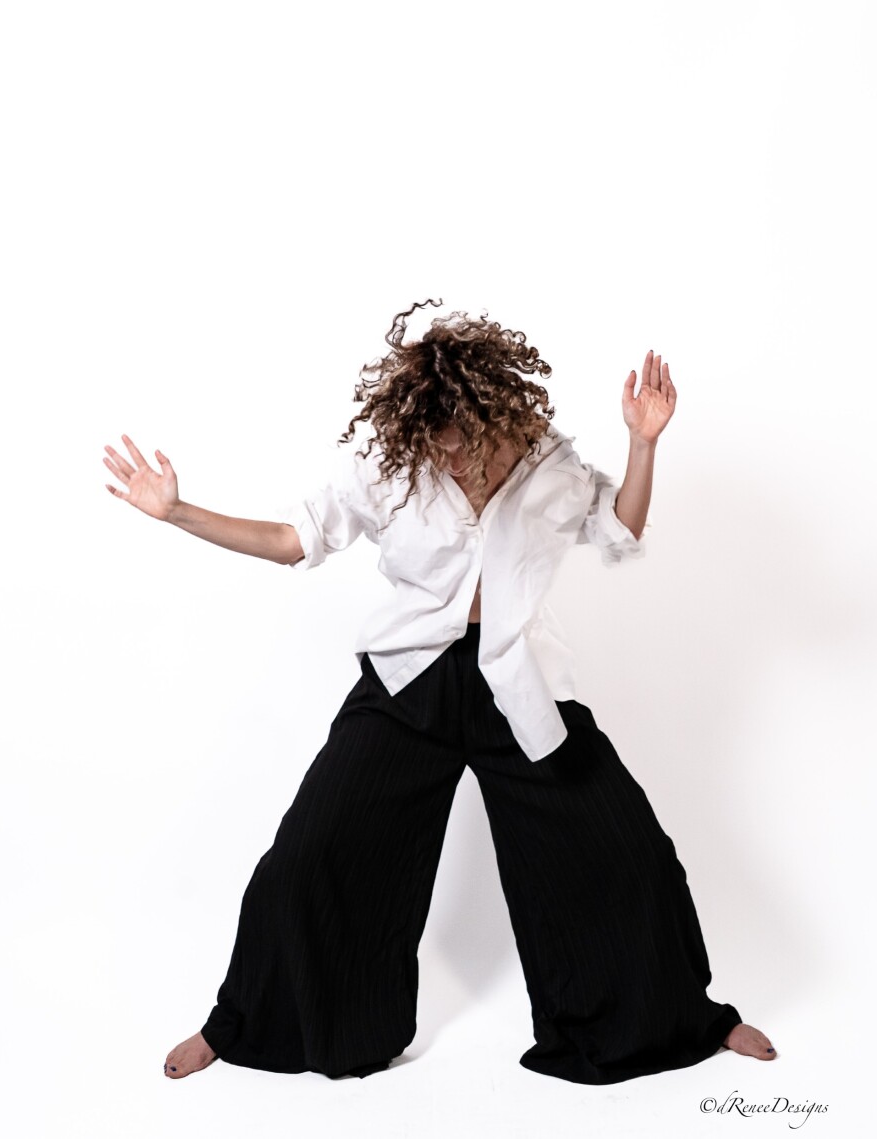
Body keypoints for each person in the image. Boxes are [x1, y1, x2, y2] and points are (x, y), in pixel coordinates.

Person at [103, 299, 775, 1085]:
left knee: (627, 848)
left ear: (494, 412)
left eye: (462, 440)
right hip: (409, 682)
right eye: (435, 441)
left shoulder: (549, 461)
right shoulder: (393, 459)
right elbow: (293, 540)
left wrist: (641, 444)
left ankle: (690, 1021)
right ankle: (242, 1022)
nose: (450, 456)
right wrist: (177, 509)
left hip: (518, 682)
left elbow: (619, 532)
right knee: (309, 849)